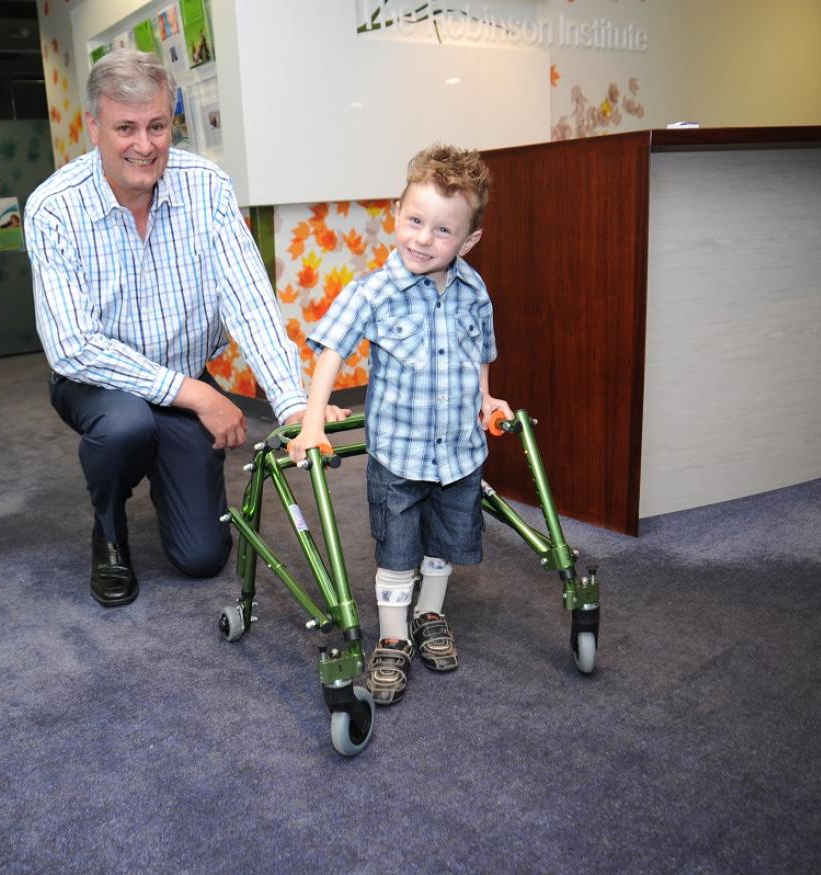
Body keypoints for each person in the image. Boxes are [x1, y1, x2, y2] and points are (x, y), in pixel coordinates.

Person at [25, 50, 344, 608]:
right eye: (125, 128)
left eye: (156, 126)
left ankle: (164, 461)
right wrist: (199, 394)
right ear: (94, 127)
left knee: (201, 558)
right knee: (125, 427)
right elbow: (73, 346)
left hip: (179, 375)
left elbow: (250, 302)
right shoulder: (53, 208)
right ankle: (109, 529)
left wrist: (294, 405)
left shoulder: (208, 188)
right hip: (97, 384)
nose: (144, 146)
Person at [288, 144, 513, 706]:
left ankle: (430, 616)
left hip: (460, 453)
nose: (421, 238)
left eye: (442, 230)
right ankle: (392, 639)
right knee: (398, 552)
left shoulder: (474, 291)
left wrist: (486, 399)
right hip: (399, 455)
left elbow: (480, 350)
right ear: (396, 214)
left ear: (468, 241)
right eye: (414, 221)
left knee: (443, 546)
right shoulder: (374, 291)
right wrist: (313, 421)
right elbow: (331, 351)